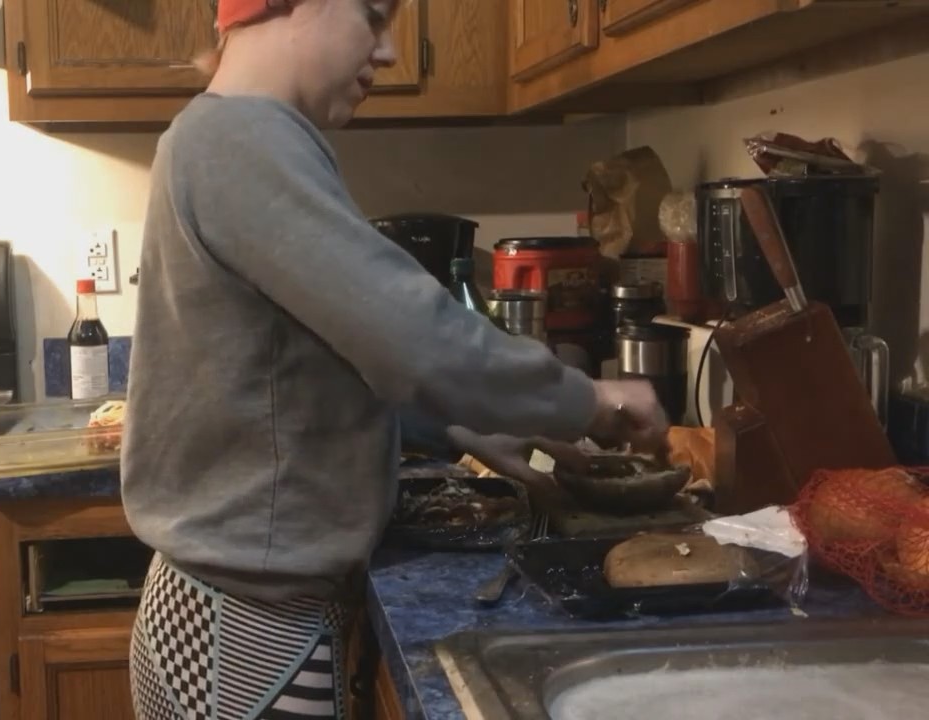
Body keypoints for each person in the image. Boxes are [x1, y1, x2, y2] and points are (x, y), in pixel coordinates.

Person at [120, 1, 670, 718]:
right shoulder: (240, 139)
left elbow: (294, 378)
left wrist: (471, 428)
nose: (386, 52)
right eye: (374, 16)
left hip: (226, 623)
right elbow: (416, 339)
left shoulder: (220, 135)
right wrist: (590, 399)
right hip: (249, 641)